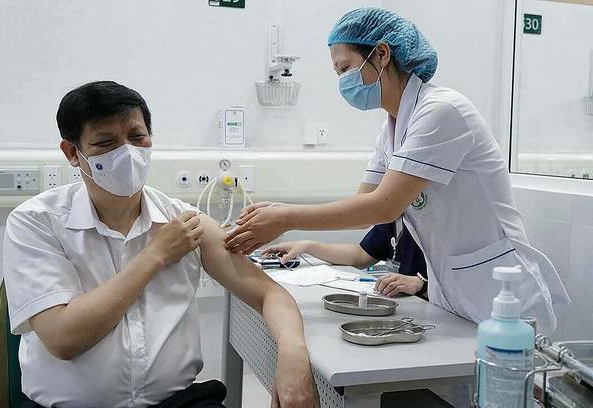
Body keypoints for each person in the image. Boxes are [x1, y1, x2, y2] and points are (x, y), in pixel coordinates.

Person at [225, 7, 570, 334]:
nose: (343, 82)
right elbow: (364, 208)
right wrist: (279, 214)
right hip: (455, 296)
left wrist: (286, 218)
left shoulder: (442, 111)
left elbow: (384, 207)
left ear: (381, 54)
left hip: (502, 295)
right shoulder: (392, 128)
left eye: (346, 69)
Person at [2, 81, 319, 408]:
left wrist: (293, 353)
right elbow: (63, 338)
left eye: (137, 137)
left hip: (178, 402)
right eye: (105, 143)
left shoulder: (183, 221)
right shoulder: (36, 222)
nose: (126, 152)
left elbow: (270, 294)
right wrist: (154, 255)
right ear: (73, 153)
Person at [262, 222, 429, 298]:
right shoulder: (398, 216)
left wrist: (422, 284)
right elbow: (360, 255)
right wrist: (308, 246)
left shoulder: (443, 220)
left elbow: (455, 278)